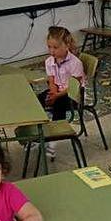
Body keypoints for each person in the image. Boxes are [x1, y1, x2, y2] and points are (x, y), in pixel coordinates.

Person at [38, 26, 85, 160]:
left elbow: (73, 88)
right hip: (57, 92)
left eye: (56, 47)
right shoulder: (49, 61)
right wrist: (52, 94)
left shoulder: (75, 63)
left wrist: (56, 96)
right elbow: (51, 81)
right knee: (38, 99)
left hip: (72, 96)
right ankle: (37, 133)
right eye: (49, 47)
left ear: (67, 45)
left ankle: (53, 141)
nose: (52, 51)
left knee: (58, 104)